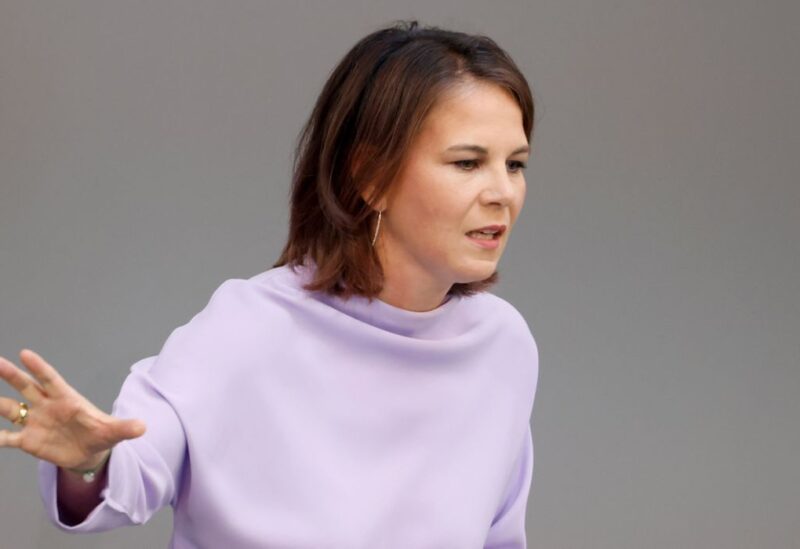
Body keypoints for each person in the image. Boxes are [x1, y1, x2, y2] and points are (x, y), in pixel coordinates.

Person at [0, 19, 539, 548]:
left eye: (514, 165)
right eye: (468, 162)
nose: (502, 193)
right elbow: (134, 466)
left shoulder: (503, 347)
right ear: (371, 177)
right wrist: (92, 460)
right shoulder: (249, 325)